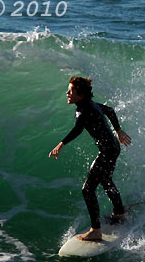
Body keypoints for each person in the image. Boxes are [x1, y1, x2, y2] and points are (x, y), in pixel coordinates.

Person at [49, 77, 131, 241]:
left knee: (87, 189)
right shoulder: (89, 104)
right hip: (112, 148)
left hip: (108, 151)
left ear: (80, 94)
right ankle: (120, 213)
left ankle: (96, 230)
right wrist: (118, 130)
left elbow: (78, 128)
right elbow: (109, 110)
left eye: (71, 91)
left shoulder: (84, 110)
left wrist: (61, 144)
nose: (67, 93)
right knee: (106, 180)